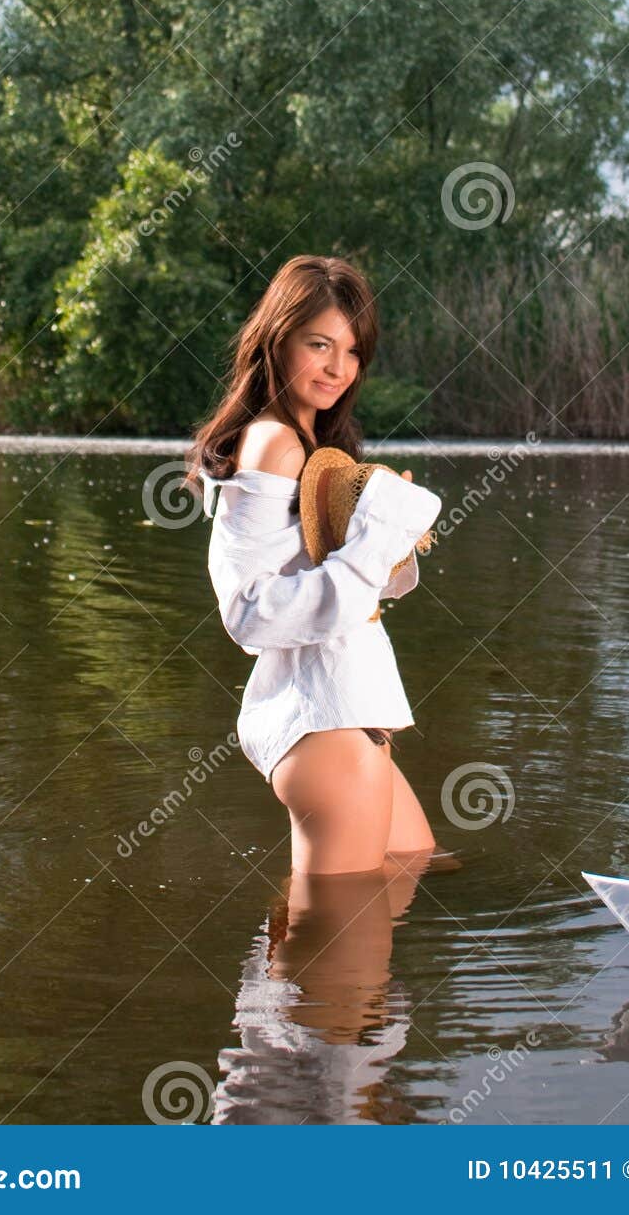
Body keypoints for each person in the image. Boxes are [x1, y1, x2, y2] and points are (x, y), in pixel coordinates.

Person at [186, 253, 448, 876]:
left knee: (411, 861)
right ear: (278, 340)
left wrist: (386, 539)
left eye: (353, 351)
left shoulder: (313, 445)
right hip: (324, 726)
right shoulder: (273, 441)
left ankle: (283, 966)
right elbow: (248, 612)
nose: (338, 367)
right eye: (319, 344)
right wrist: (374, 534)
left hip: (351, 714)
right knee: (340, 944)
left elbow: (342, 590)